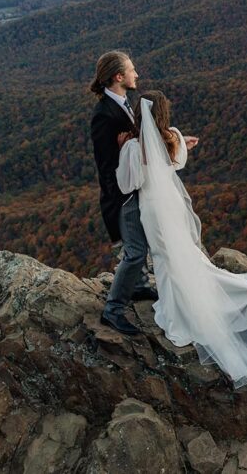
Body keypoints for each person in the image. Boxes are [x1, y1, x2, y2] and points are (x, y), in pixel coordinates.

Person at [117, 90, 247, 388]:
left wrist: (122, 155)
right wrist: (182, 143)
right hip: (173, 207)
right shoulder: (175, 137)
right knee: (184, 255)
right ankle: (190, 301)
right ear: (164, 115)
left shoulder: (131, 147)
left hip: (152, 209)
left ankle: (178, 307)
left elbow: (128, 183)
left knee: (165, 258)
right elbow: (177, 163)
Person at [89, 51, 157, 335]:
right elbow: (106, 166)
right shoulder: (105, 114)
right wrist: (123, 199)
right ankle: (112, 310)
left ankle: (138, 286)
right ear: (118, 77)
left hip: (133, 189)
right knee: (136, 251)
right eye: (132, 70)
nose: (136, 74)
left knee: (143, 244)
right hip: (123, 195)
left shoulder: (122, 102)